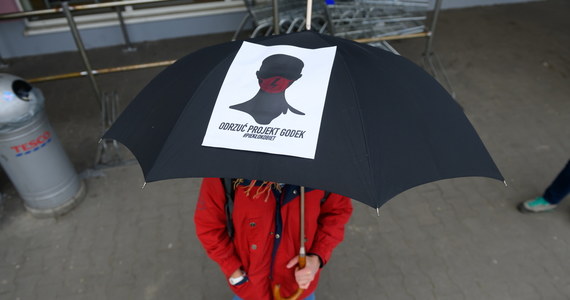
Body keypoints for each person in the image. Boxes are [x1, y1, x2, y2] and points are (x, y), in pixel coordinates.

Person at [194, 178, 353, 300]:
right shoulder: (228, 164)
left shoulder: (324, 166)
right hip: (249, 286)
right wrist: (233, 270)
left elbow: (337, 212)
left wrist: (317, 257)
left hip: (298, 288)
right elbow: (208, 224)